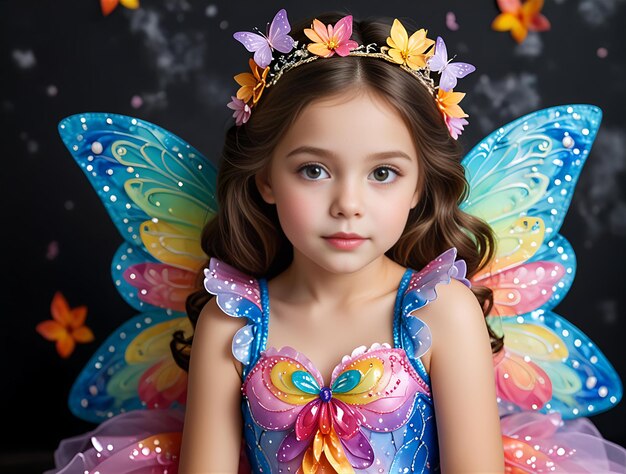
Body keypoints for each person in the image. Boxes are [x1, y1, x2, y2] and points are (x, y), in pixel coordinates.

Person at [46, 8, 626, 474]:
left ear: (421, 185)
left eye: (383, 173)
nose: (348, 203)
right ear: (266, 178)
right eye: (313, 170)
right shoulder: (232, 323)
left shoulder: (440, 312)